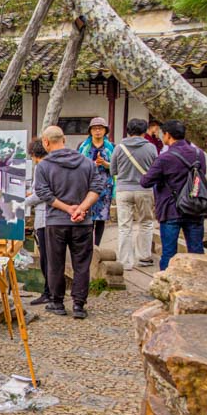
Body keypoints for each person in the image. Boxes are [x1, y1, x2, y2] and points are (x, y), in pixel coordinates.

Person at [35, 126, 105, 319]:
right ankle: (79, 305)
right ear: (64, 139)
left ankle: (57, 302)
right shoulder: (86, 163)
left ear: (46, 142)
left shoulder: (44, 166)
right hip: (83, 221)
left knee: (55, 263)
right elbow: (97, 187)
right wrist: (81, 208)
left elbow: (43, 193)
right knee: (81, 263)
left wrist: (67, 208)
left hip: (56, 221)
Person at [140, 119, 207, 270]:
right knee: (196, 251)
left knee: (169, 253)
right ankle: (198, 285)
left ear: (168, 135)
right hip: (195, 206)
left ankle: (165, 285)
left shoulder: (165, 157)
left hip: (171, 208)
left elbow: (146, 181)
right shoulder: (199, 154)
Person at [110, 118, 158, 270]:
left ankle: (125, 262)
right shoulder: (151, 148)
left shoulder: (119, 147)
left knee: (125, 226)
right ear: (144, 132)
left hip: (124, 190)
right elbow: (155, 169)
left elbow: (113, 171)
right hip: (144, 189)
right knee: (146, 223)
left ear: (128, 131)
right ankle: (144, 257)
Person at [77, 117, 115, 246]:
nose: (97, 131)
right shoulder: (83, 147)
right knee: (87, 215)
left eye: (100, 128)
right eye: (94, 128)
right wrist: (92, 164)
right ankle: (87, 245)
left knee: (101, 217)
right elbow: (78, 165)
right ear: (90, 131)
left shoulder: (111, 147)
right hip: (87, 185)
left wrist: (105, 164)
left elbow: (116, 167)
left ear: (105, 131)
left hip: (105, 186)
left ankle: (97, 245)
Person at [24, 138, 50, 305]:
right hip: (52, 215)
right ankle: (51, 292)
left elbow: (41, 194)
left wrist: (23, 201)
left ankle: (49, 292)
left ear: (34, 154)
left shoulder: (41, 167)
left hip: (44, 215)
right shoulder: (51, 164)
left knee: (46, 258)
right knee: (50, 257)